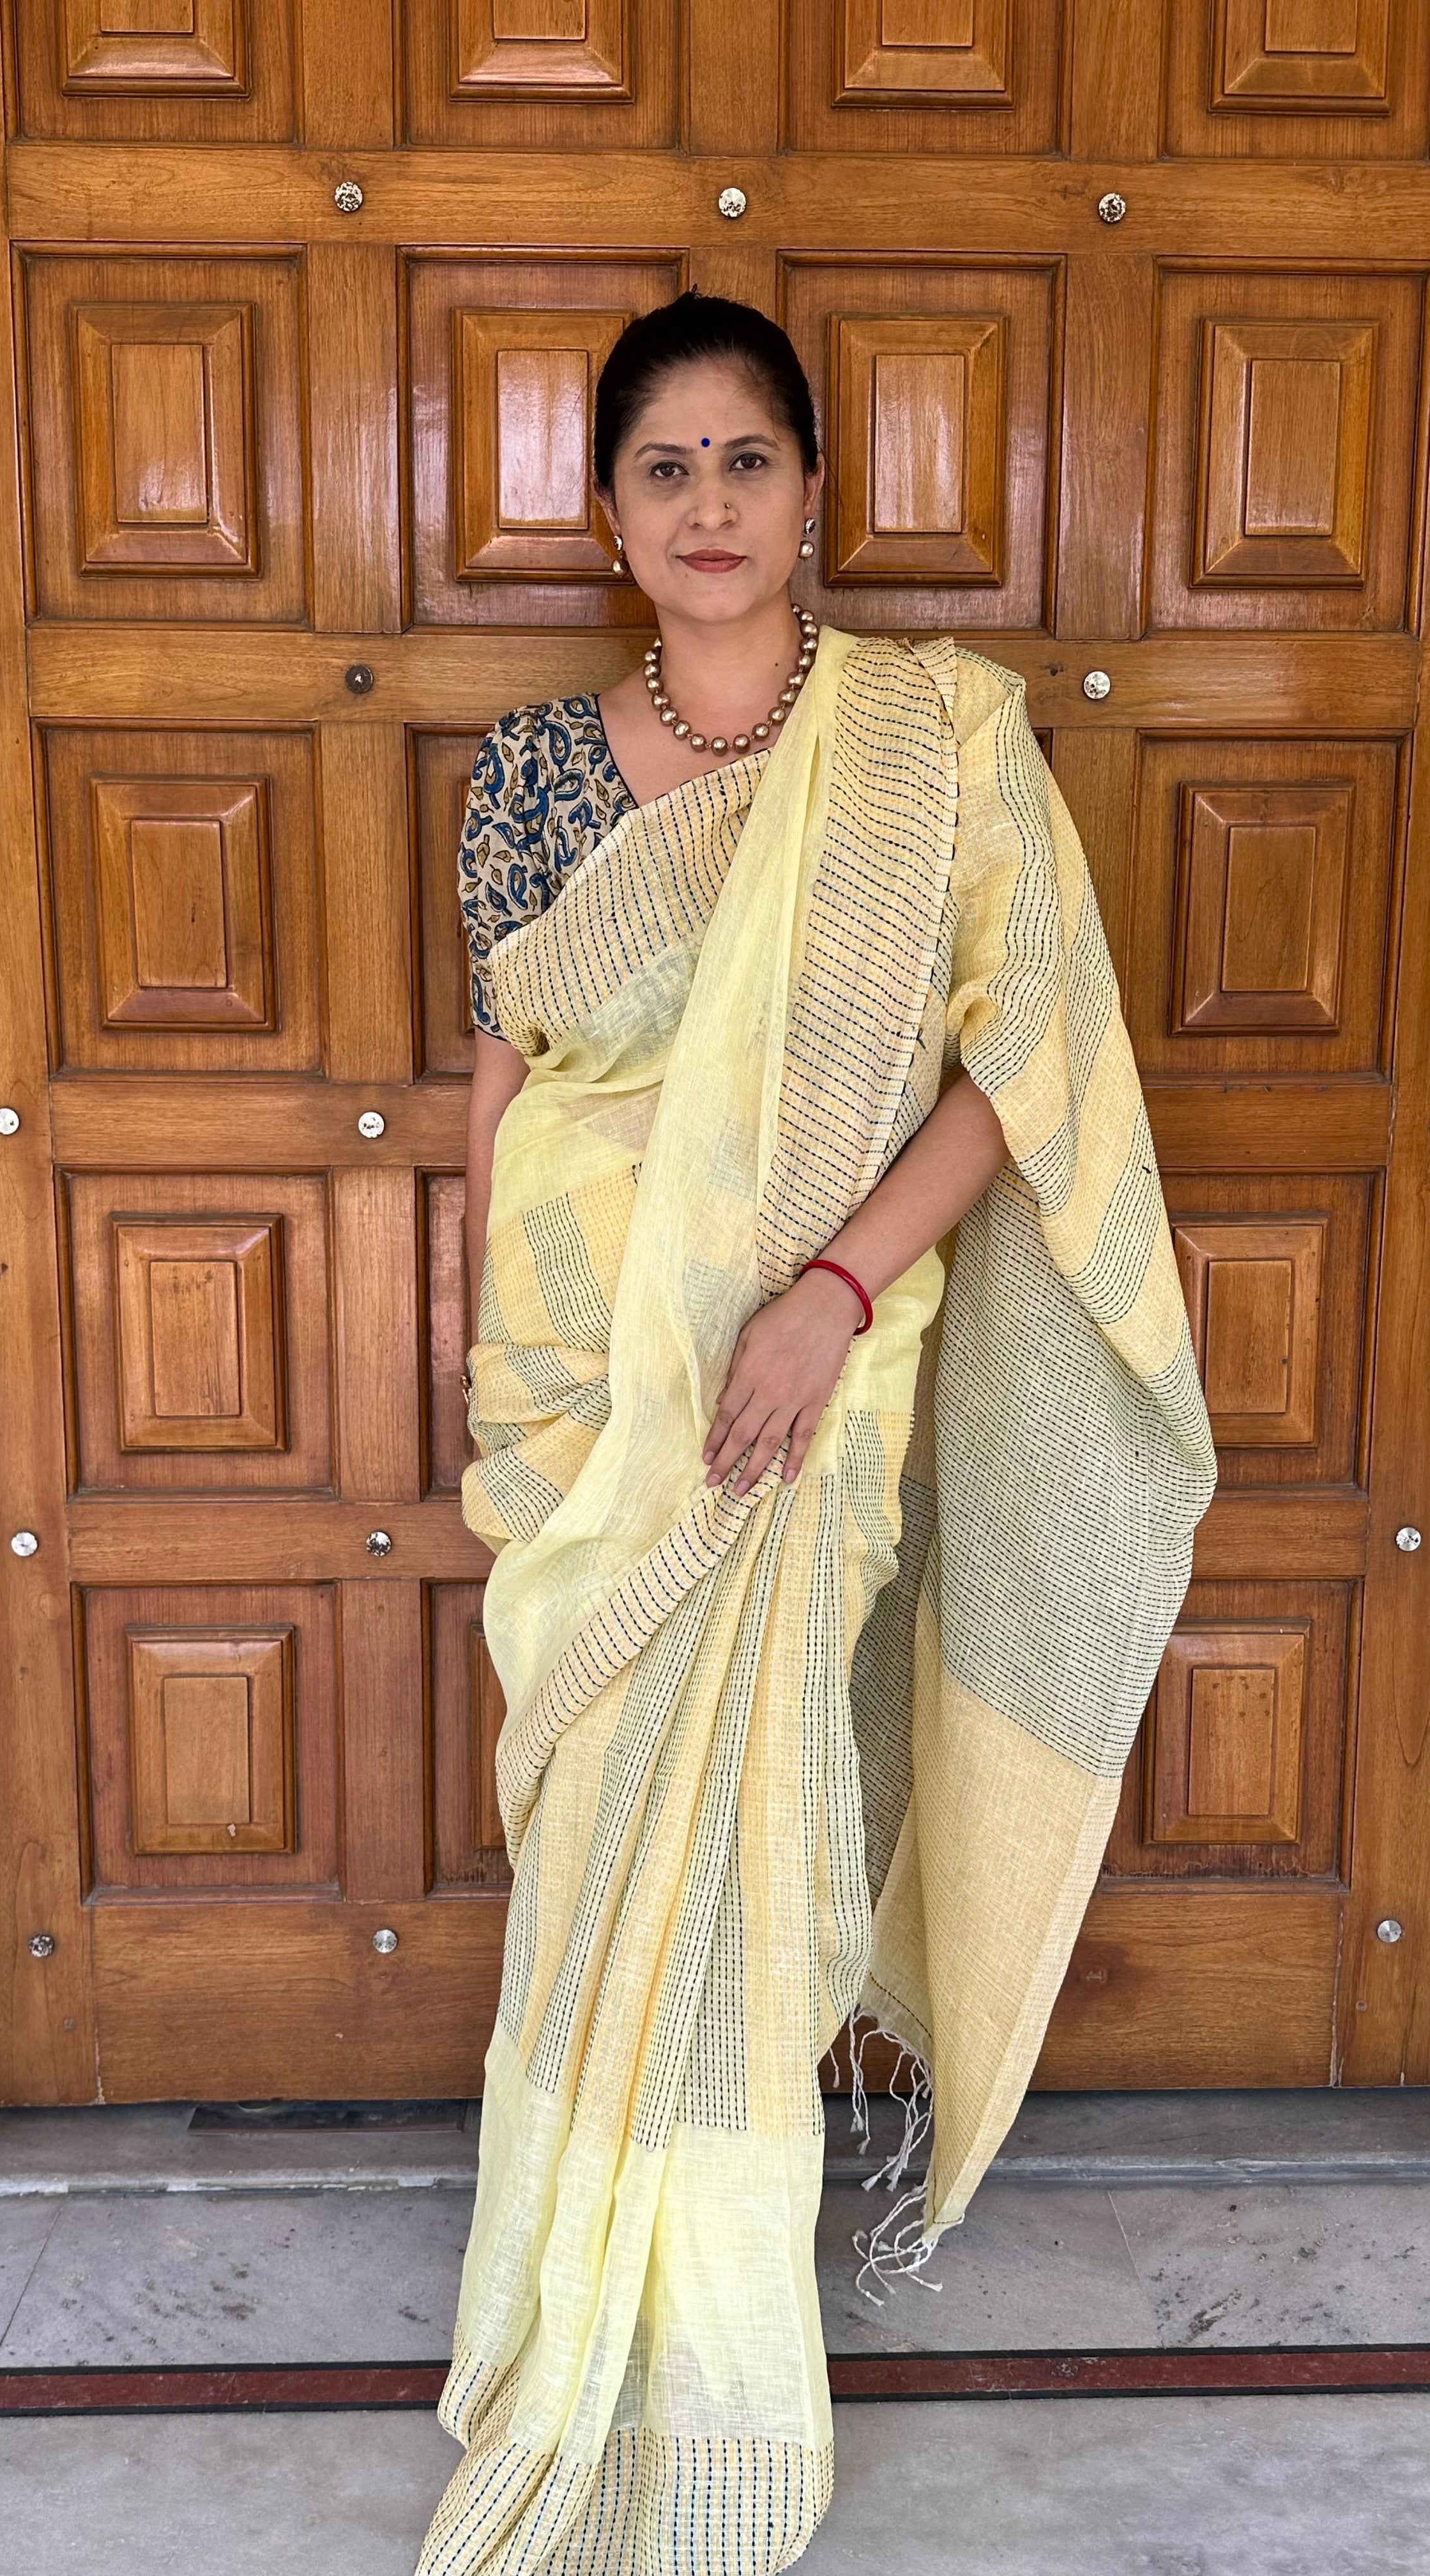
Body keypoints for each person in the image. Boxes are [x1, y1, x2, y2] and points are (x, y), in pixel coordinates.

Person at [416, 291, 1216, 2576]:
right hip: (598, 1399)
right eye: (661, 469)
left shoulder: (927, 745)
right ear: (605, 516)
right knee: (599, 1853)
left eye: (744, 461)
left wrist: (827, 1290)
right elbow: (508, 1086)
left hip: (812, 1381)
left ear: (811, 497)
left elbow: (1010, 1074)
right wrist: (525, 1375)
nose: (706, 505)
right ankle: (563, 2321)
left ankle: (720, 2361)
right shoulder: (534, 777)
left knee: (761, 1853)